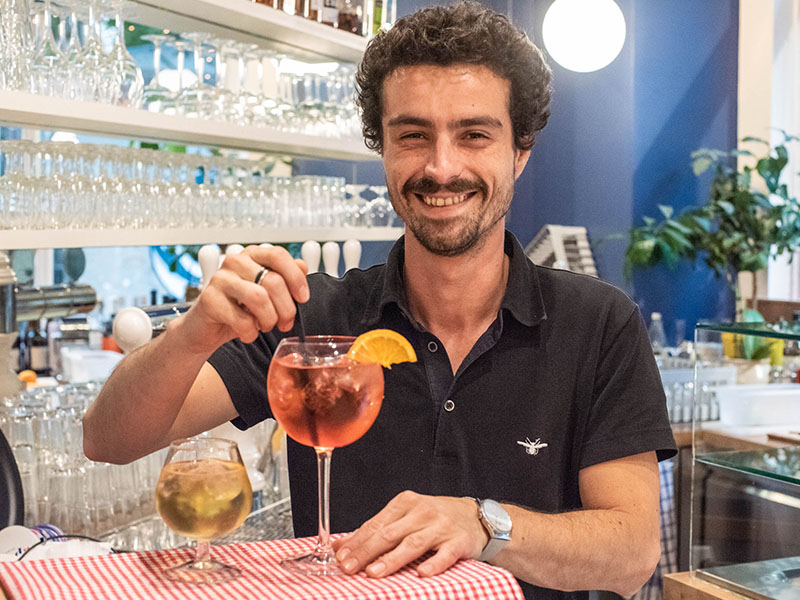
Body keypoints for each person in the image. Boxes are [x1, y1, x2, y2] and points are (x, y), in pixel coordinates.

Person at [83, 3, 676, 599]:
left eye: (473, 135)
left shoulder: (598, 323)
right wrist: (193, 332)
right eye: (413, 136)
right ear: (383, 149)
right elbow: (108, 440)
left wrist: (482, 523)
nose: (441, 168)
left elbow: (629, 554)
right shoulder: (309, 320)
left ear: (520, 151)